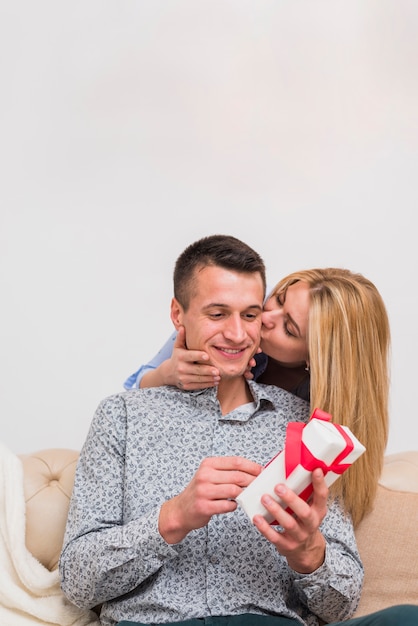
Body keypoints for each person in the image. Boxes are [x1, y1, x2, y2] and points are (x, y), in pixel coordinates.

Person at [59, 235, 417, 626]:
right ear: (178, 315)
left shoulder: (309, 431)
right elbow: (77, 582)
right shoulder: (123, 415)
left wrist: (309, 554)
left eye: (249, 314)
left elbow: (341, 605)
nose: (241, 333)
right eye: (217, 314)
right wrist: (173, 518)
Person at [123, 267, 390, 528]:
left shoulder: (312, 413)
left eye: (288, 328)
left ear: (313, 357)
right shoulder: (225, 315)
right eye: (278, 298)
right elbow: (133, 400)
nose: (265, 316)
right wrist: (167, 373)